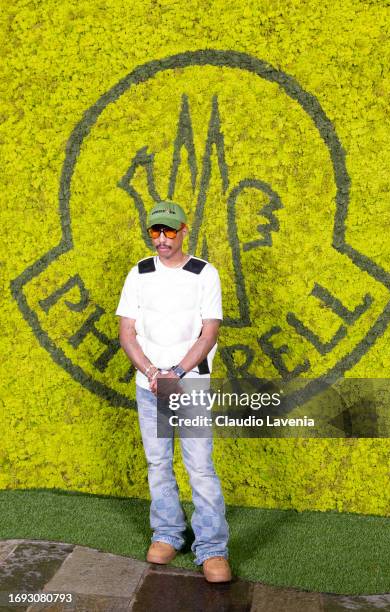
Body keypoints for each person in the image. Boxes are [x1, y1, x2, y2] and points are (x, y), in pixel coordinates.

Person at [115, 200, 231, 583]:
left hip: (190, 384)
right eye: (154, 231)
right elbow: (127, 331)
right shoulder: (139, 273)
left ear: (184, 230)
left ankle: (212, 548)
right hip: (150, 386)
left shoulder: (204, 273)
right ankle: (167, 533)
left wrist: (177, 373)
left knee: (200, 466)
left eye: (168, 231)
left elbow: (209, 331)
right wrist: (151, 372)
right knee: (158, 463)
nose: (161, 239)